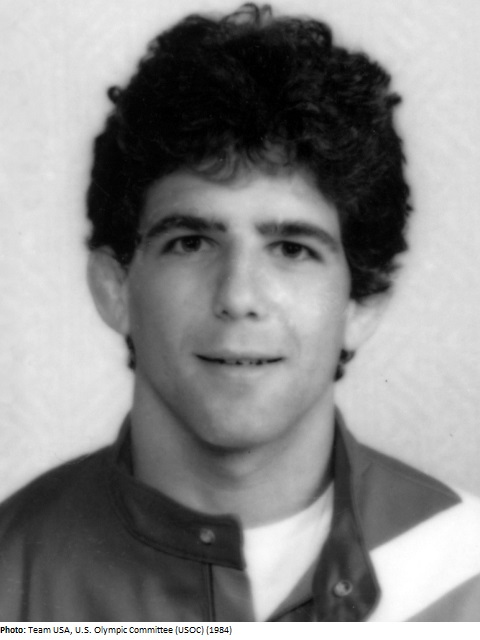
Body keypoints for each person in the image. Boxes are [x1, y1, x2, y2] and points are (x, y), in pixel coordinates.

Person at [0, 2, 479, 623]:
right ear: (114, 288)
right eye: (191, 243)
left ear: (360, 304)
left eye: (292, 249)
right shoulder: (10, 576)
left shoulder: (463, 574)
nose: (239, 295)